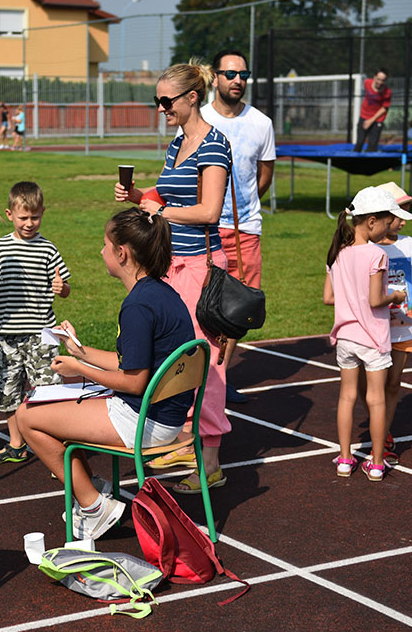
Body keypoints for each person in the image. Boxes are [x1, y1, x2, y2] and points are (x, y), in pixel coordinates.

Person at [17, 208, 195, 541]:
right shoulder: (162, 293)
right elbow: (134, 362)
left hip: (144, 422)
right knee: (56, 416)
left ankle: (94, 506)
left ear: (122, 253)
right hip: (165, 416)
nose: (101, 251)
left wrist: (79, 370)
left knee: (27, 416)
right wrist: (80, 351)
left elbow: (134, 381)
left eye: (104, 244)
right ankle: (94, 489)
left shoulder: (138, 306)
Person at [114, 59, 232, 494]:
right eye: (157, 102)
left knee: (206, 363)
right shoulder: (177, 144)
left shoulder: (214, 146)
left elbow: (209, 212)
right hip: (170, 266)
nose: (161, 108)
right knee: (173, 357)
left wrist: (158, 210)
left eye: (166, 101)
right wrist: (138, 196)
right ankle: (183, 443)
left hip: (200, 268)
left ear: (191, 97)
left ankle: (210, 459)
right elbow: (162, 197)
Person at [0, 181, 71, 463]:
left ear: (43, 213)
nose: (29, 223)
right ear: (9, 214)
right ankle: (16, 446)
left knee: (49, 392)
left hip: (42, 334)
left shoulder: (48, 250)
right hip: (8, 336)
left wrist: (62, 289)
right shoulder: (1, 247)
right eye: (24, 217)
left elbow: (65, 286)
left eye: (35, 217)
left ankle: (56, 450)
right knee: (8, 393)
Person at [197, 48, 275, 405]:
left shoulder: (261, 123)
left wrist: (242, 206)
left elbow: (264, 175)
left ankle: (220, 375)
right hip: (204, 227)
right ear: (215, 77)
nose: (238, 81)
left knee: (239, 307)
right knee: (200, 303)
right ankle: (199, 377)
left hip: (245, 230)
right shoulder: (198, 118)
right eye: (230, 74)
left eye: (243, 74)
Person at [323, 186, 412, 481]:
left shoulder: (338, 253)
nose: (388, 230)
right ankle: (375, 463)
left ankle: (345, 459)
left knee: (346, 397)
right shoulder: (377, 254)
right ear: (371, 221)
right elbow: (375, 300)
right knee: (376, 400)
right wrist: (396, 297)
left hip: (345, 337)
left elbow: (330, 297)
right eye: (387, 223)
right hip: (373, 339)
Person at [359, 182, 412, 463]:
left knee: (393, 383)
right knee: (371, 385)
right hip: (373, 326)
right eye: (398, 215)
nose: (402, 221)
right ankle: (377, 425)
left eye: (406, 215)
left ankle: (384, 432)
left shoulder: (410, 245)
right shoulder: (364, 246)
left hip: (402, 327)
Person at [354, 69, 390, 153]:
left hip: (377, 119)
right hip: (364, 116)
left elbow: (384, 108)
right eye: (378, 79)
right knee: (359, 142)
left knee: (372, 145)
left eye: (383, 80)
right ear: (374, 77)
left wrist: (371, 120)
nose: (380, 82)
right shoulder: (367, 83)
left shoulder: (387, 92)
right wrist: (366, 119)